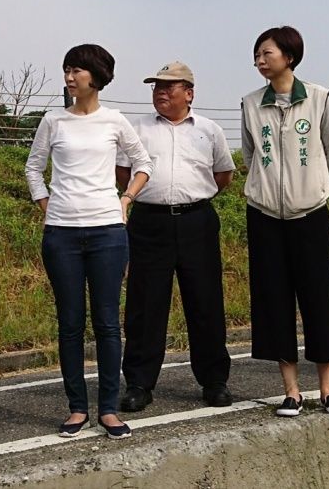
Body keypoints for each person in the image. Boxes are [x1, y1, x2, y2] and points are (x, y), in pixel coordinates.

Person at [25, 44, 153, 439]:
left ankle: (109, 409)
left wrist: (126, 199)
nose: (68, 77)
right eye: (66, 70)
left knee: (107, 323)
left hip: (107, 233)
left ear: (95, 76)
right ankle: (77, 407)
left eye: (76, 70)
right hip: (61, 234)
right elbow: (33, 167)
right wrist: (46, 204)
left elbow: (144, 162)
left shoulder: (115, 121)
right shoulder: (53, 121)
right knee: (70, 324)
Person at [240, 26, 329, 418]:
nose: (259, 60)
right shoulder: (251, 103)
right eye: (257, 55)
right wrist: (265, 189)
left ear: (289, 55)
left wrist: (314, 186)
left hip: (310, 214)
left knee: (318, 298)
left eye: (266, 53)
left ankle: (327, 389)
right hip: (265, 215)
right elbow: (252, 154)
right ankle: (291, 390)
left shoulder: (318, 98)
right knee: (274, 299)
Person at [115, 61, 235, 413]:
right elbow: (124, 173)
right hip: (149, 223)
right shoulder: (136, 129)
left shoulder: (209, 130)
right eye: (156, 87)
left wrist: (194, 197)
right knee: (145, 304)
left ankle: (214, 381)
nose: (161, 92)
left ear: (190, 93)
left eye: (169, 86)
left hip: (196, 221)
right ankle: (139, 383)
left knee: (206, 301)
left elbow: (223, 175)